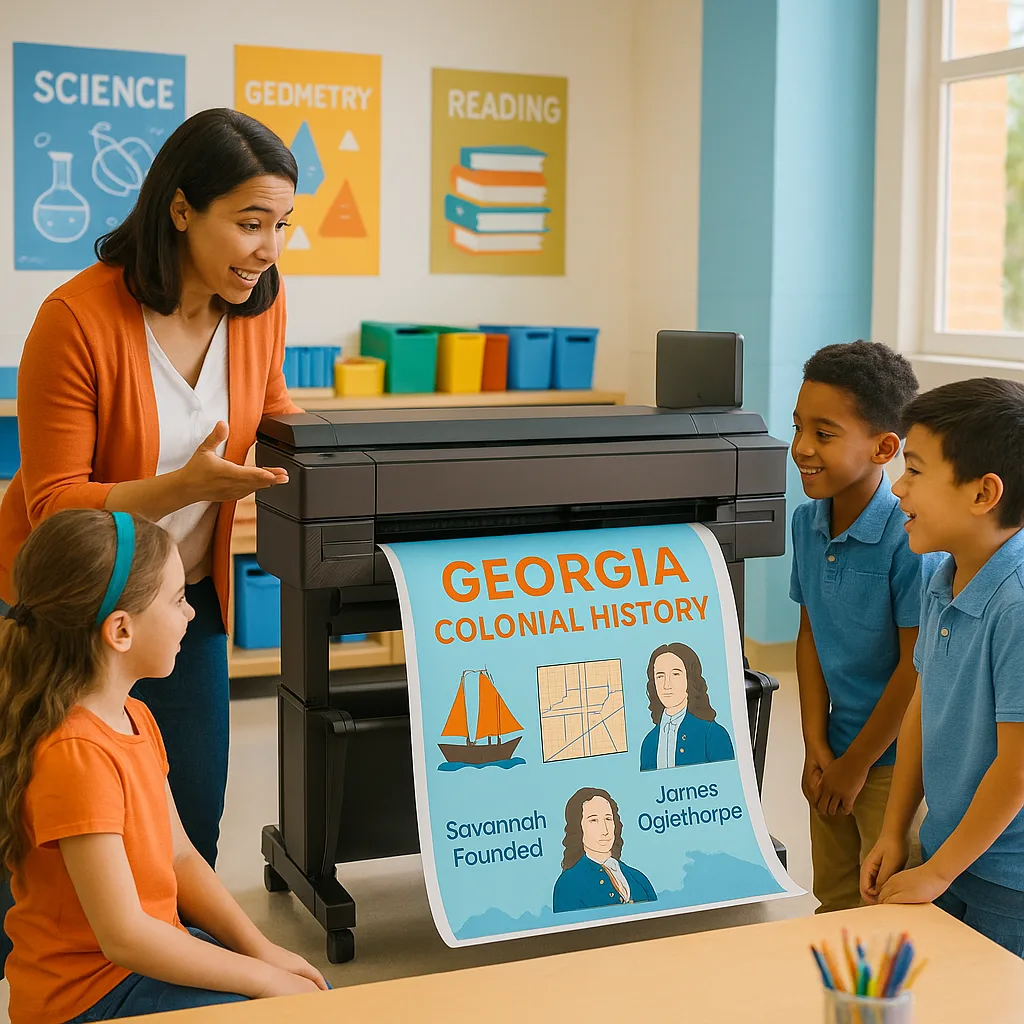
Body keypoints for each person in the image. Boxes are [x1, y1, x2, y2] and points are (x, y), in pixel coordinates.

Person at [0, 107, 300, 896]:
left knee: (187, 828)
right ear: (180, 210)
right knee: (40, 846)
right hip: (67, 617)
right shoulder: (77, 320)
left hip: (178, 606)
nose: (268, 249)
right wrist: (182, 489)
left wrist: (342, 462)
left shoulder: (260, 306)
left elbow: (274, 413)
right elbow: (54, 507)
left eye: (281, 225)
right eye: (249, 223)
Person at [0, 509, 329, 1023]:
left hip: (140, 963)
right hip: (87, 999)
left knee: (310, 992)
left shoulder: (135, 716)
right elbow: (125, 936)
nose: (191, 615)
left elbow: (179, 856)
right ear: (121, 631)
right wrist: (263, 980)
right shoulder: (75, 756)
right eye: (178, 600)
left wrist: (263, 950)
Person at [861, 378, 1024, 958]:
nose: (899, 489)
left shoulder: (1016, 602)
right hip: (945, 851)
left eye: (917, 471)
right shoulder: (942, 575)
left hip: (1007, 880)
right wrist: (895, 829)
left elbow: (1018, 766)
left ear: (983, 494)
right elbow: (923, 707)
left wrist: (940, 872)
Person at [790, 341, 935, 915]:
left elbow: (914, 669)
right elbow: (809, 636)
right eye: (798, 427)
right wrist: (816, 744)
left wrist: (856, 765)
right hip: (835, 750)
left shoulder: (908, 537)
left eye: (824, 434)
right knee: (835, 897)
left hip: (895, 764)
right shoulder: (806, 522)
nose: (801, 448)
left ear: (884, 447)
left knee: (885, 903)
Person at [552, 788, 656, 912]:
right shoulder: (568, 885)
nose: (605, 830)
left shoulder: (638, 878)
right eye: (593, 820)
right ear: (578, 827)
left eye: (608, 819)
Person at [639, 643, 734, 771]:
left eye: (676, 674)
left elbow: (727, 783)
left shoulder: (713, 734)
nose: (666, 685)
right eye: (660, 676)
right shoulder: (649, 742)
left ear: (690, 679)